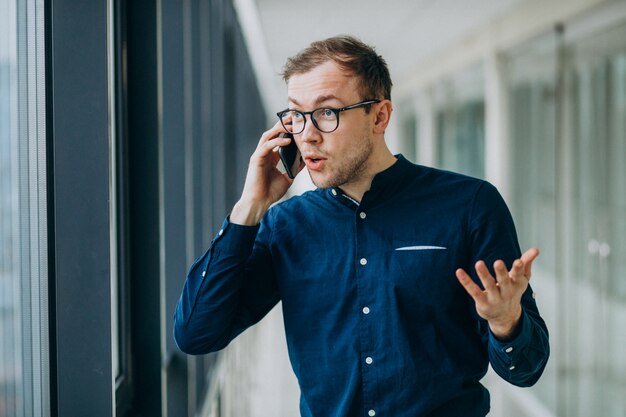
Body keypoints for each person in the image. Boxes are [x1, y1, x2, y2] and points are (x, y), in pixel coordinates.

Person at [174, 35, 549, 417]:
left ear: (380, 116)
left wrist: (506, 322)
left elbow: (527, 370)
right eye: (296, 115)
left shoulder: (468, 205)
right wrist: (248, 207)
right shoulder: (284, 225)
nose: (307, 134)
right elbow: (197, 332)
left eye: (326, 112)